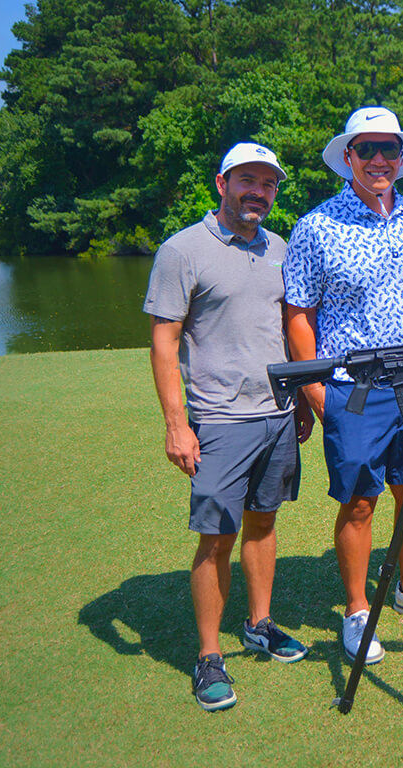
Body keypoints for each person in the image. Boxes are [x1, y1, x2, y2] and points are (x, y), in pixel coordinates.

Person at [283, 106, 403, 665]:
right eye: (368, 149)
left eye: (390, 149)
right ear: (348, 157)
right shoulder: (316, 226)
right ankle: (358, 610)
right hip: (352, 387)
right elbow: (298, 313)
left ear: (401, 158)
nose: (380, 159)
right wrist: (315, 390)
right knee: (360, 501)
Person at [144, 142, 312, 711]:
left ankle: (259, 623)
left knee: (263, 524)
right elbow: (164, 343)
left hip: (278, 414)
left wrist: (304, 401)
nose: (257, 192)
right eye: (248, 180)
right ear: (222, 182)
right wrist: (176, 425)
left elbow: (286, 331)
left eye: (268, 184)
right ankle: (209, 657)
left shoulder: (280, 249)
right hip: (218, 419)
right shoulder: (182, 250)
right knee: (217, 536)